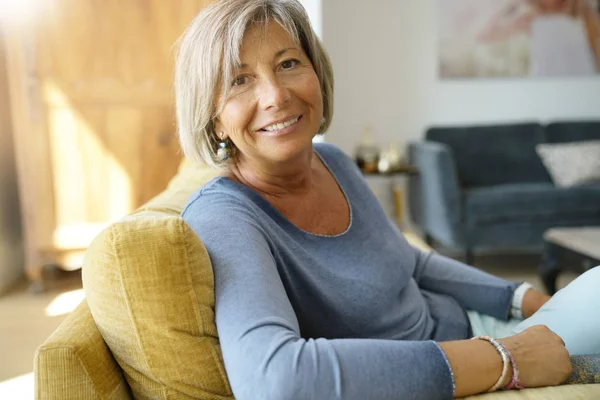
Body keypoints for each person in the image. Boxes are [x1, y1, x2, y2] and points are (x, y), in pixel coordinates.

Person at [175, 0, 600, 398]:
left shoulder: (333, 161)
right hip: (463, 363)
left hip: (480, 327)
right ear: (213, 119)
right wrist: (505, 358)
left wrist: (524, 300)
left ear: (317, 73)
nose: (275, 96)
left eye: (288, 63)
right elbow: (276, 378)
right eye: (239, 80)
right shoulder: (223, 217)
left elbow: (412, 261)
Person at [479, 0, 600, 76]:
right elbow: (486, 35)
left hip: (581, 85)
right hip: (545, 87)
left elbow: (595, 46)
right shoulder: (531, 19)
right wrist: (512, 4)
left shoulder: (582, 11)